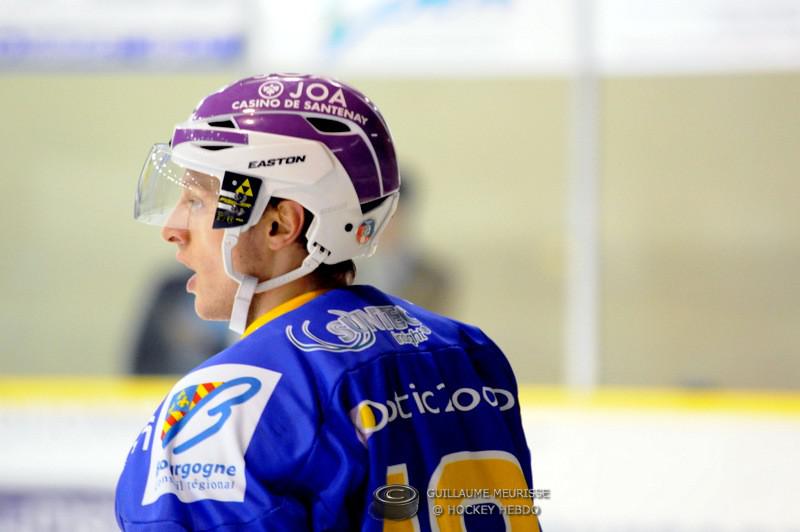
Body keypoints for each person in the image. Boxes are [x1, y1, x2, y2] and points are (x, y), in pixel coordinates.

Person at [116, 74, 541, 531]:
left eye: (198, 201)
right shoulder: (468, 353)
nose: (173, 229)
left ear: (280, 225)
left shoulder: (229, 403)